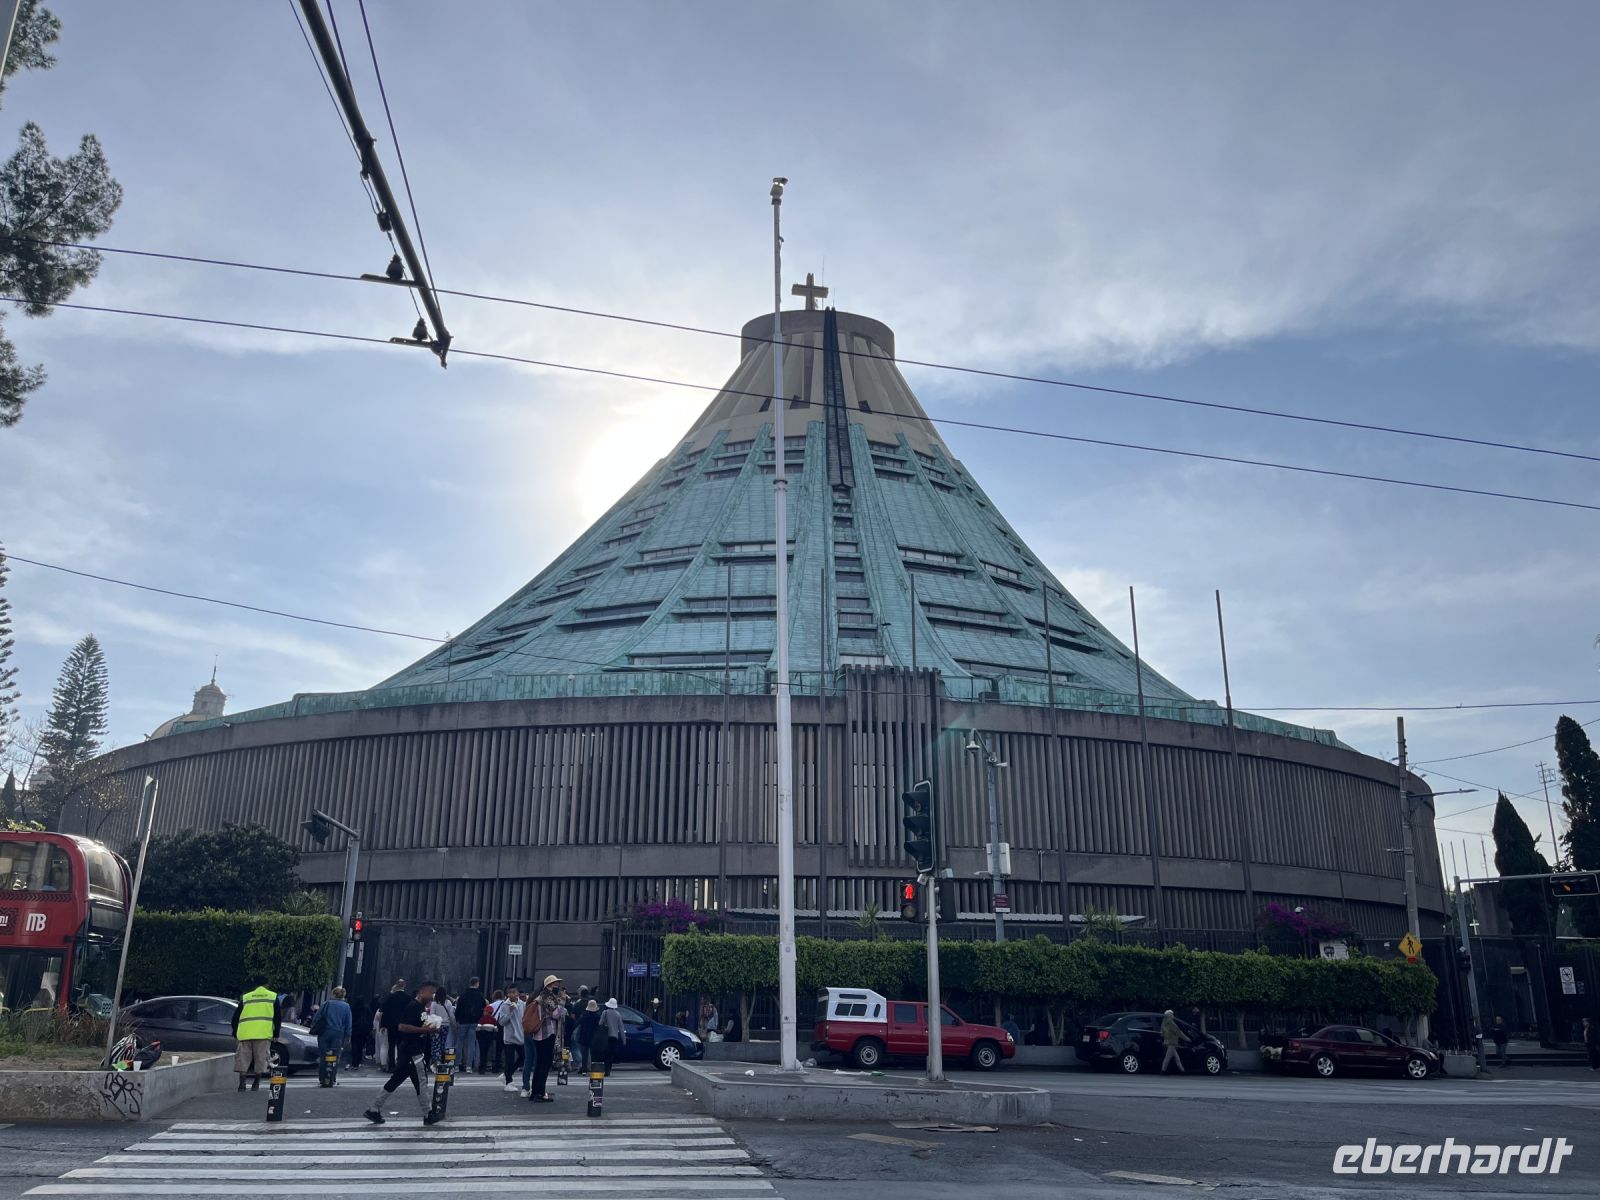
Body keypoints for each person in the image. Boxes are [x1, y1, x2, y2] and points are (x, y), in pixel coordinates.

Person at [364, 981, 442, 1126]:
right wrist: (426, 1030)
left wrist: (428, 1028)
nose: (432, 996)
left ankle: (374, 1109)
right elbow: (403, 1026)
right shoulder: (414, 1007)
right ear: (422, 992)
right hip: (413, 1051)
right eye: (431, 993)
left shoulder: (418, 1007)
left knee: (397, 1080)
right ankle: (428, 1113)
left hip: (409, 1050)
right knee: (421, 1082)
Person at [231, 978, 280, 1092]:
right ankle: (256, 1083)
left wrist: (235, 1032)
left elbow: (235, 1017)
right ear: (267, 984)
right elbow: (277, 1017)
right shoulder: (272, 997)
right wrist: (276, 1033)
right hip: (263, 1033)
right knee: (261, 1058)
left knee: (243, 1058)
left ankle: (242, 1084)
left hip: (245, 1033)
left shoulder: (246, 997)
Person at [522, 974, 564, 1102]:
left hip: (539, 1035)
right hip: (546, 1033)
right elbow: (556, 1014)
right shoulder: (546, 997)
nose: (557, 986)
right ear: (549, 986)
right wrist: (562, 1001)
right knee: (543, 1065)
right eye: (555, 984)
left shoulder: (540, 996)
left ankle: (536, 1092)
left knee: (540, 1063)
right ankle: (539, 1093)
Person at [311, 986, 353, 1075]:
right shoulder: (346, 1006)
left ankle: (322, 1077)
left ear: (334, 994)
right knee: (334, 1056)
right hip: (338, 1034)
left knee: (323, 1056)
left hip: (324, 1032)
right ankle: (331, 1077)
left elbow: (316, 1018)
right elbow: (348, 1023)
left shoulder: (326, 1004)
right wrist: (348, 1036)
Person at [455, 978, 487, 1072]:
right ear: (477, 984)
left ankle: (457, 1065)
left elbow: (458, 1008)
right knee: (471, 1043)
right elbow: (484, 1006)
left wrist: (457, 1019)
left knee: (459, 1043)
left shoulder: (463, 994)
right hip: (474, 1021)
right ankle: (469, 1066)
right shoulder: (479, 995)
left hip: (463, 1021)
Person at [497, 986, 525, 1092]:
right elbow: (502, 1021)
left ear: (518, 993)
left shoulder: (522, 1004)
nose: (512, 994)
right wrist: (510, 1011)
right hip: (509, 1036)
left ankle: (507, 1073)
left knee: (523, 1057)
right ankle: (508, 1082)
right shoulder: (505, 1005)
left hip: (520, 1034)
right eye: (509, 993)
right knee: (509, 1059)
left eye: (514, 992)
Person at [378, 981, 410, 1071]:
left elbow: (383, 1010)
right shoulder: (408, 998)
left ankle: (391, 1065)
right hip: (403, 1025)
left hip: (391, 1025)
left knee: (391, 1045)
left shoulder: (390, 997)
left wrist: (383, 1024)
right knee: (401, 1045)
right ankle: (400, 1064)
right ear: (404, 987)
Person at [596, 998, 625, 1076]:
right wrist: (624, 1039)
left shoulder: (604, 1012)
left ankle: (605, 1070)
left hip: (606, 1037)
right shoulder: (618, 1014)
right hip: (614, 1037)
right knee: (610, 1055)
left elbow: (600, 1023)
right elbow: (621, 1028)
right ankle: (608, 1070)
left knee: (605, 1054)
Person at [478, 989, 504, 1075]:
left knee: (486, 1049)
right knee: (499, 1048)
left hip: (488, 1028)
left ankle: (484, 1066)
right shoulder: (505, 1005)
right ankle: (497, 1065)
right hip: (500, 1026)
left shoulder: (491, 1005)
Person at [347, 996, 371, 1071]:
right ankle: (359, 1061)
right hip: (363, 1030)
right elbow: (370, 1018)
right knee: (361, 1046)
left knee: (354, 1045)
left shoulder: (353, 1008)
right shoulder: (366, 1008)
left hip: (355, 1029)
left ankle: (354, 1062)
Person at [1159, 1009, 1186, 1074]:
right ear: (1169, 1015)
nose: (1173, 1015)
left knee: (1176, 1058)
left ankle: (1182, 1070)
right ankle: (1163, 1070)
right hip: (1171, 1043)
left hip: (1167, 1042)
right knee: (1168, 1058)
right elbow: (1179, 1032)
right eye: (1171, 1014)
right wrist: (1187, 1039)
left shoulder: (1163, 1023)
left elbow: (1161, 1034)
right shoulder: (1171, 1023)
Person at [577, 999, 601, 1073]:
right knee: (594, 1055)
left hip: (584, 1037)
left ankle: (584, 1070)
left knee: (584, 1055)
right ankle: (594, 1069)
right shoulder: (597, 1017)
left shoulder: (584, 1016)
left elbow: (578, 1023)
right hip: (594, 1037)